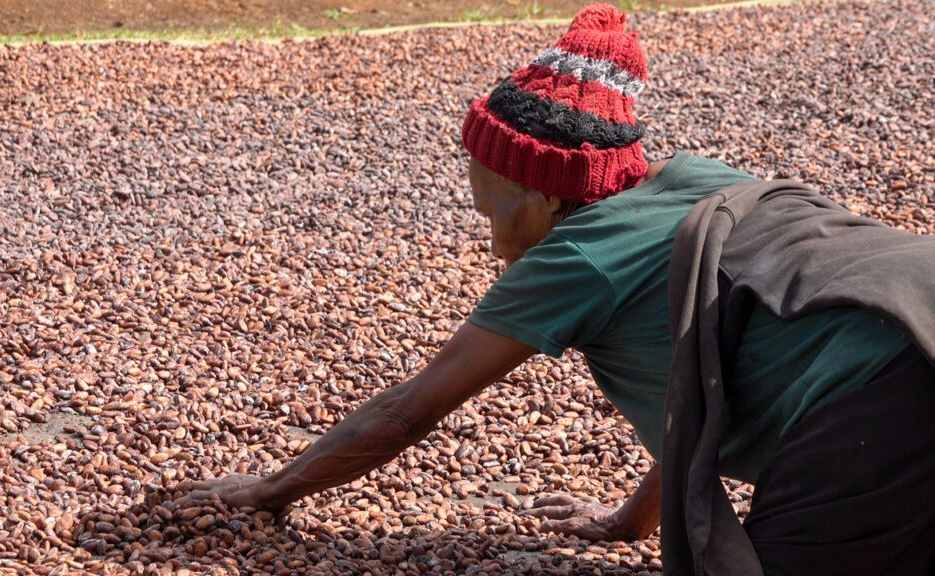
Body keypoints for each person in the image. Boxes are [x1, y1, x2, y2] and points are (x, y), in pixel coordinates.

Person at [178, 4, 935, 574]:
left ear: (542, 200)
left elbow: (409, 412)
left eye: (491, 209)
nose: (491, 237)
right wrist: (631, 524)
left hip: (886, 395)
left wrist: (268, 491)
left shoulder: (572, 261)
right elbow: (708, 373)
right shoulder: (701, 181)